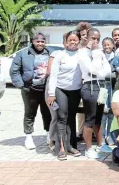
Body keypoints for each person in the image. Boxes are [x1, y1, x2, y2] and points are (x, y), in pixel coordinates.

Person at [10, 32, 52, 150]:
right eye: (37, 41)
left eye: (42, 41)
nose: (40, 43)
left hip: (46, 89)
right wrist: (21, 85)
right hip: (30, 89)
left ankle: (49, 135)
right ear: (32, 41)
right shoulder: (23, 54)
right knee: (30, 114)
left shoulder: (50, 53)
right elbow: (14, 71)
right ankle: (28, 137)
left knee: (47, 113)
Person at [46, 30, 83, 160]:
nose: (73, 42)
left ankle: (71, 146)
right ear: (66, 42)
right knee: (62, 117)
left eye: (75, 40)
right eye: (70, 40)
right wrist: (51, 94)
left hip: (75, 91)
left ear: (79, 41)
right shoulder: (60, 55)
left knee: (71, 117)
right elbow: (53, 75)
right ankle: (61, 147)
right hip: (60, 90)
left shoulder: (82, 55)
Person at [78, 28, 111, 158]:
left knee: (99, 117)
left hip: (102, 87)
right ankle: (88, 148)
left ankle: (101, 144)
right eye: (93, 38)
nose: (95, 41)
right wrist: (97, 61)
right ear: (87, 38)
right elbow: (91, 69)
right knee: (90, 119)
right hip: (90, 86)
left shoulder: (99, 52)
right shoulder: (82, 53)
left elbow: (107, 70)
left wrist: (99, 71)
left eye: (98, 39)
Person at [75, 22, 92, 140]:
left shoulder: (94, 47)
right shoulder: (76, 48)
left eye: (87, 34)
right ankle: (80, 132)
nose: (85, 37)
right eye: (82, 35)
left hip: (91, 83)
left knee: (91, 108)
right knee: (80, 110)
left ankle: (92, 133)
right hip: (78, 82)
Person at [99, 37, 116, 152]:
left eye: (109, 44)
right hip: (102, 88)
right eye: (104, 45)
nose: (107, 47)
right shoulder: (100, 57)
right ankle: (102, 135)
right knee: (102, 111)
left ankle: (110, 135)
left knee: (111, 111)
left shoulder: (116, 57)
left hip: (113, 87)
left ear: (113, 45)